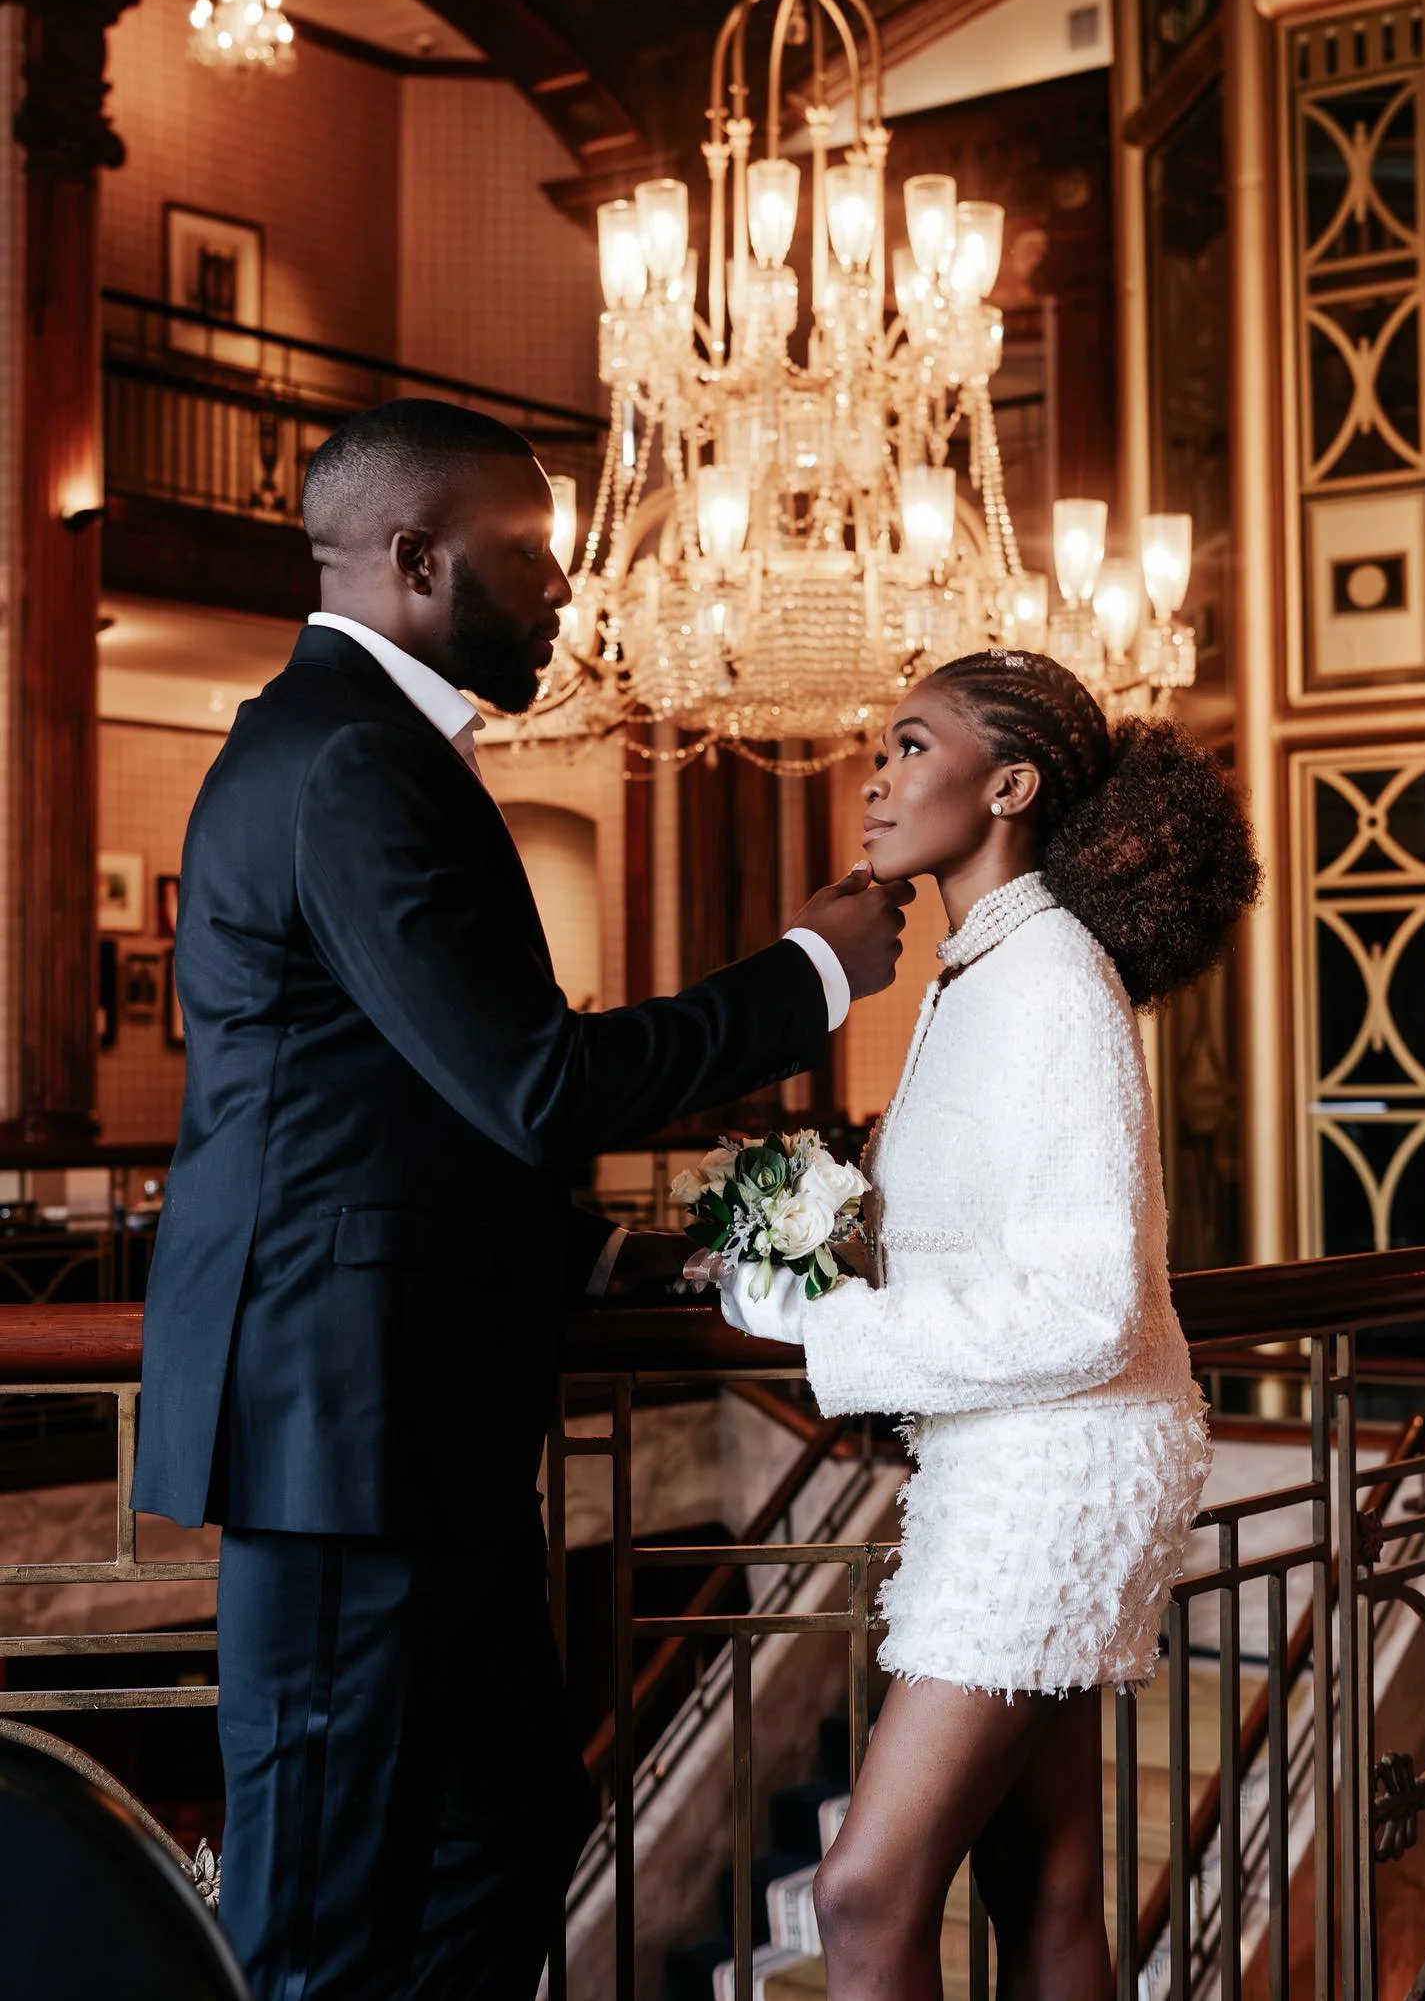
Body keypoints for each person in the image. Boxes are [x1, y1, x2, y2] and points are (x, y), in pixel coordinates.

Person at [130, 397, 913, 2001]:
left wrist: (588, 1251)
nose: (566, 588)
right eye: (532, 553)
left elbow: (394, 1103)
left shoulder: (368, 745)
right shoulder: (348, 757)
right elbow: (534, 1083)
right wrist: (812, 971)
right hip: (343, 1426)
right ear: (418, 560)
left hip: (422, 1418)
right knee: (320, 1932)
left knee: (512, 1820)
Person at [720, 648, 1259, 1999]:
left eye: (911, 747)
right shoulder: (979, 968)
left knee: (862, 1895)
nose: (875, 779)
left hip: (1061, 1467)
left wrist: (828, 1334)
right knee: (1045, 1881)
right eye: (880, 751)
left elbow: (1088, 1307)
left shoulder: (1053, 980)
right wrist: (787, 1257)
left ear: (1009, 786)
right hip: (1005, 1448)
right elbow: (975, 1236)